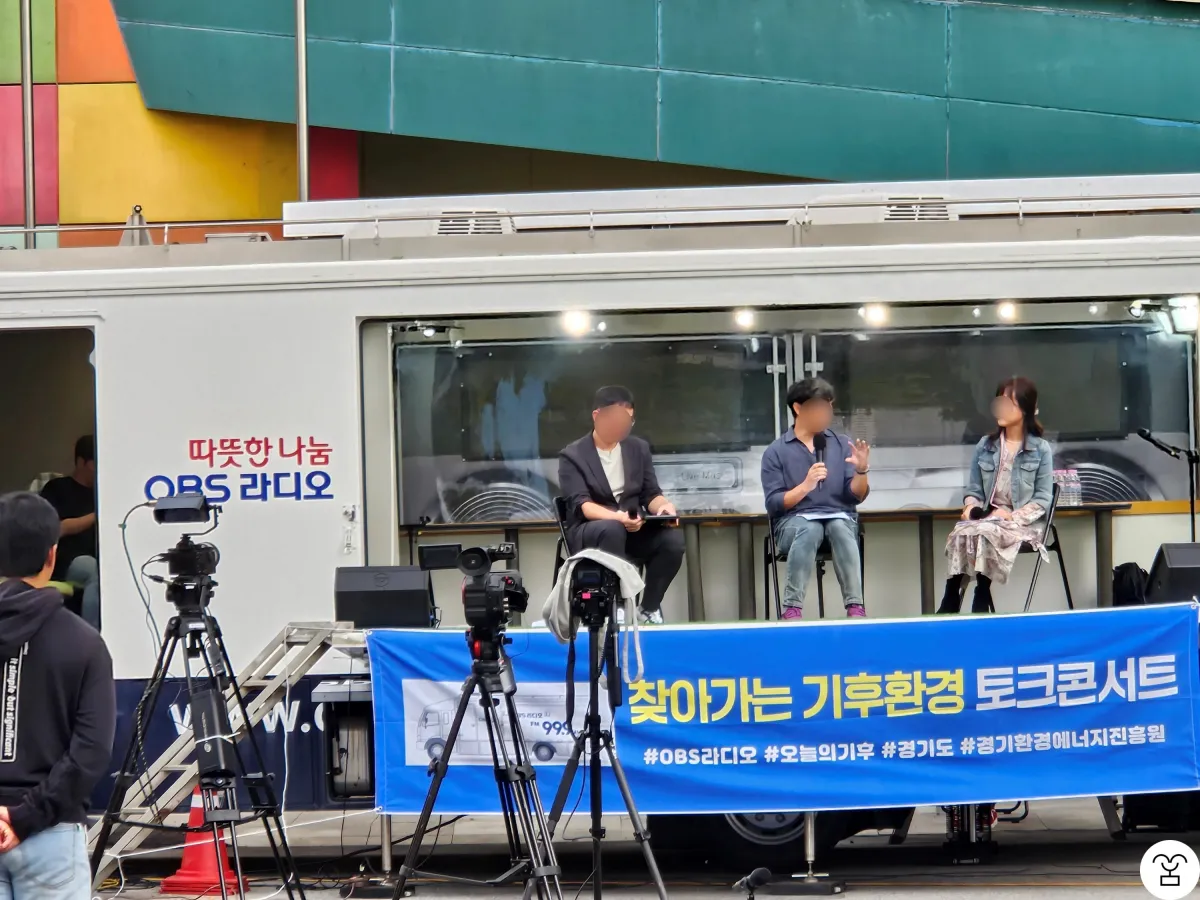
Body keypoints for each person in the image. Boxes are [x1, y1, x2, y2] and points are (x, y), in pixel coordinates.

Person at [0, 491, 116, 899]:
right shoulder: (84, 643)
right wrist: (23, 817)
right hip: (51, 833)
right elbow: (90, 752)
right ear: (52, 555)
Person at [558, 386, 684, 625]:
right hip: (591, 530)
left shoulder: (638, 448)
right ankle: (615, 604)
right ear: (597, 416)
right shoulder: (572, 456)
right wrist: (618, 518)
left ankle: (649, 607)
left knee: (672, 541)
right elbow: (582, 505)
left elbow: (651, 494)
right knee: (612, 529)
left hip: (631, 528)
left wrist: (664, 507)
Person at [937, 376, 1054, 614]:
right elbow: (973, 491)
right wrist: (972, 507)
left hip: (1023, 523)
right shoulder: (985, 446)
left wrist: (1012, 517)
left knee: (986, 530)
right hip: (988, 518)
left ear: (1025, 409)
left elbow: (1043, 498)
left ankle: (980, 594)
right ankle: (952, 594)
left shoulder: (1040, 449)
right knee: (963, 529)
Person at [762, 378, 871, 620]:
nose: (825, 413)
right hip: (793, 524)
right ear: (798, 408)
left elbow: (855, 495)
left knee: (839, 526)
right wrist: (805, 486)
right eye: (818, 406)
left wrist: (862, 471)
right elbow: (774, 504)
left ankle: (855, 608)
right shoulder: (776, 451)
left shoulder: (842, 444)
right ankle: (792, 608)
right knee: (809, 528)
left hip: (838, 520)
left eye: (828, 406)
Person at [39, 436, 98, 630]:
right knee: (93, 568)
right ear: (81, 462)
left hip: (100, 555)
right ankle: (92, 636)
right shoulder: (57, 488)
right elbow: (58, 528)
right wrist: (97, 515)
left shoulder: (101, 492)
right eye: (94, 464)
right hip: (66, 560)